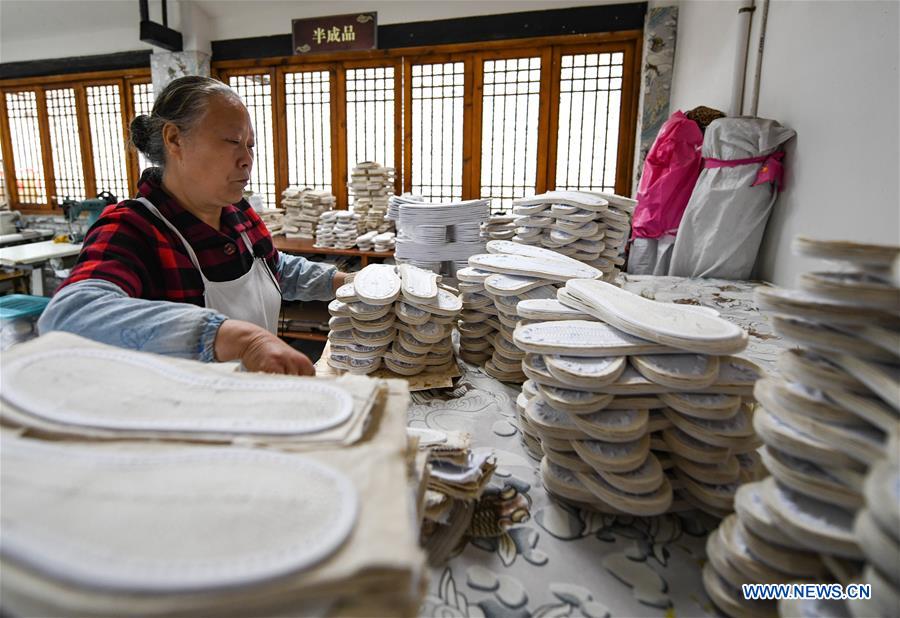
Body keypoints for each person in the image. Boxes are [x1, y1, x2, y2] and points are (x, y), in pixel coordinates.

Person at [39, 76, 346, 375]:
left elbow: (274, 270)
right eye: (233, 142)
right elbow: (66, 317)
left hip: (251, 398)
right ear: (175, 139)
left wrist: (344, 282)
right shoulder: (131, 230)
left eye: (250, 145)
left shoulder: (238, 213)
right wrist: (229, 338)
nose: (247, 159)